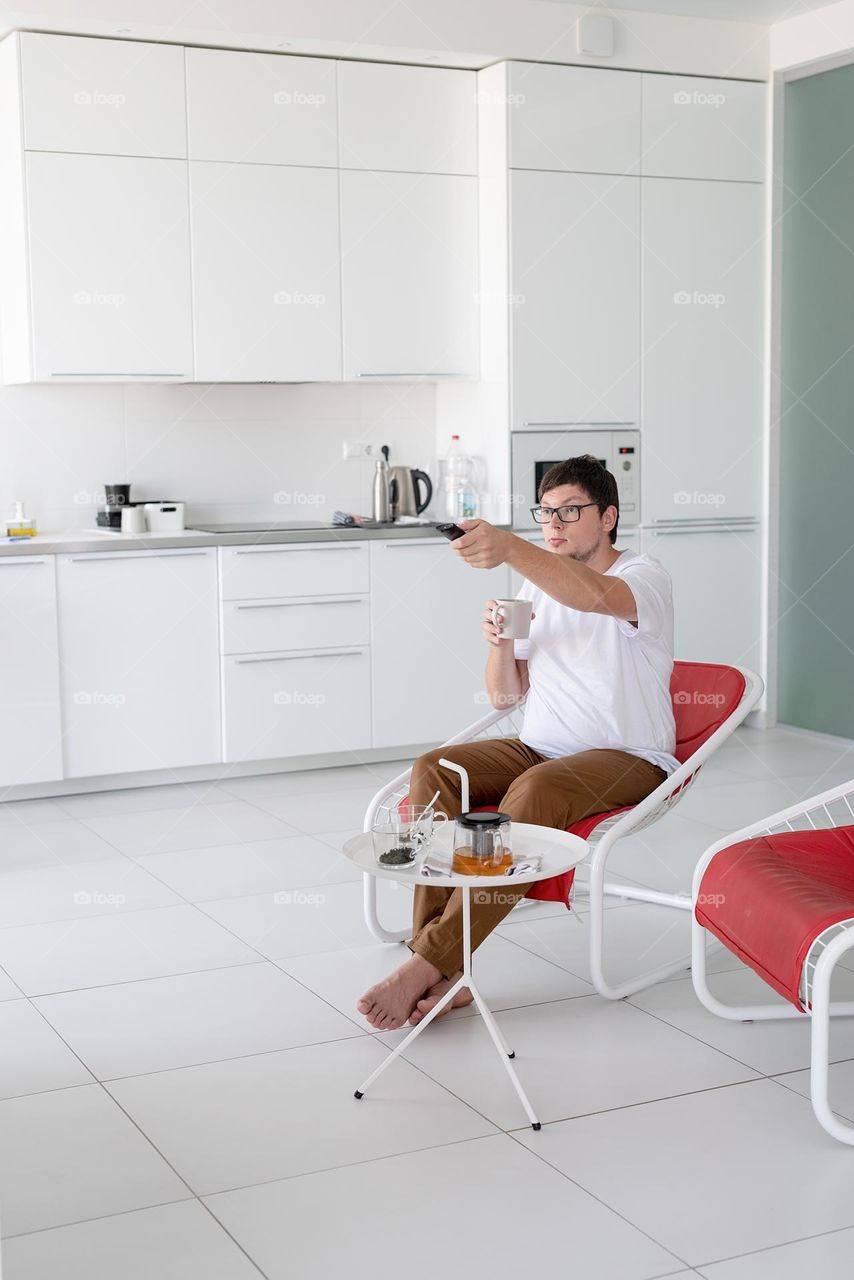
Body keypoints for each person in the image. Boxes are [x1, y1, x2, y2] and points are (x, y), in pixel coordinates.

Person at [357, 455, 678, 1031]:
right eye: (546, 512)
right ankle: (446, 968)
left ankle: (425, 961)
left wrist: (507, 546)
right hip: (540, 744)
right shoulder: (536, 584)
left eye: (570, 511)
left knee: (534, 789)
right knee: (436, 768)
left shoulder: (644, 576)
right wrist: (500, 646)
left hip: (628, 755)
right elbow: (506, 698)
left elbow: (598, 598)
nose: (553, 524)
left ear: (608, 517)